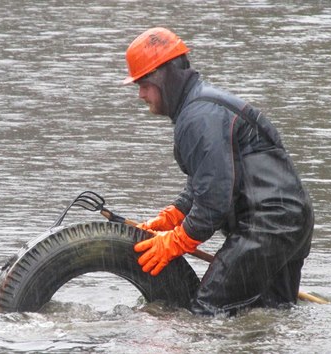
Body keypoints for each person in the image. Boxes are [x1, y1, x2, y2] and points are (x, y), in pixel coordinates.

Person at [124, 27, 314, 316]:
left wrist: (176, 241)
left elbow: (213, 201)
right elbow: (208, 180)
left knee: (205, 312)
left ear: (164, 77)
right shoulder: (200, 107)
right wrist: (172, 217)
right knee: (266, 316)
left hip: (267, 227)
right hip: (289, 222)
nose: (140, 94)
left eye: (144, 84)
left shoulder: (198, 117)